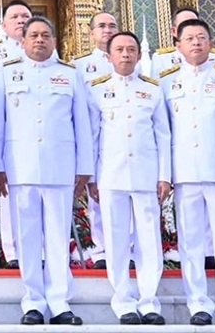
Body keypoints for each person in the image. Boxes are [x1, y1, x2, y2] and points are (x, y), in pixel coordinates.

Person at [0, 16, 92, 326]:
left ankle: (60, 302)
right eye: (33, 35)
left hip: (60, 168)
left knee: (59, 237)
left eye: (45, 35)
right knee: (28, 238)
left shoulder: (69, 74)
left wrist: (84, 168)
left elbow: (83, 124)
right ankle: (34, 302)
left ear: (54, 40)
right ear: (22, 40)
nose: (39, 40)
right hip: (20, 168)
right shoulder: (6, 73)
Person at [160, 18, 215, 326]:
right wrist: (166, 175)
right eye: (190, 38)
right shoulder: (167, 81)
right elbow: (164, 132)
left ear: (211, 43)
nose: (196, 43)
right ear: (178, 46)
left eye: (201, 38)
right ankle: (198, 303)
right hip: (184, 173)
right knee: (191, 243)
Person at [86, 31, 170, 325]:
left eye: (131, 49)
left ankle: (149, 302)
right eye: (119, 50)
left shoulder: (153, 89)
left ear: (138, 55)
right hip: (110, 175)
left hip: (146, 175)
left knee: (149, 241)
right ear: (108, 57)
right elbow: (92, 137)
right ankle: (123, 302)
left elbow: (163, 135)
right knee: (117, 241)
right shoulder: (96, 89)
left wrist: (164, 176)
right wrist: (91, 177)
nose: (125, 54)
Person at [0, 0, 31, 268]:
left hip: (34, 133)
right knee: (9, 191)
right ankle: (12, 252)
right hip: (4, 130)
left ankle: (38, 250)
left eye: (25, 16)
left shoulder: (40, 48)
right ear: (4, 25)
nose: (21, 20)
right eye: (15, 17)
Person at [75, 11, 118, 270]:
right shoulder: (80, 66)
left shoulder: (131, 56)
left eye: (112, 25)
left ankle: (130, 250)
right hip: (94, 139)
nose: (107, 30)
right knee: (98, 196)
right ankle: (101, 249)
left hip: (123, 140)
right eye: (101, 26)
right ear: (91, 33)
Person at [154, 7, 215, 71]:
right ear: (173, 31)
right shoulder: (161, 59)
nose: (191, 27)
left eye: (194, 23)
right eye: (184, 25)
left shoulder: (214, 56)